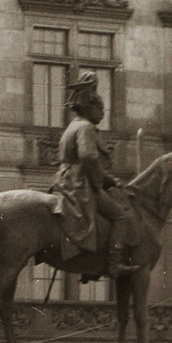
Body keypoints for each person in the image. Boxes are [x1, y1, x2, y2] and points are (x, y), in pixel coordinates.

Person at [49, 72, 133, 276]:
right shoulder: (86, 127)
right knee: (120, 216)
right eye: (100, 109)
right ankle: (113, 264)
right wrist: (100, 182)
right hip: (80, 184)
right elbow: (87, 157)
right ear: (90, 107)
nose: (103, 115)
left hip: (65, 180)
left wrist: (108, 179)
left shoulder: (72, 126)